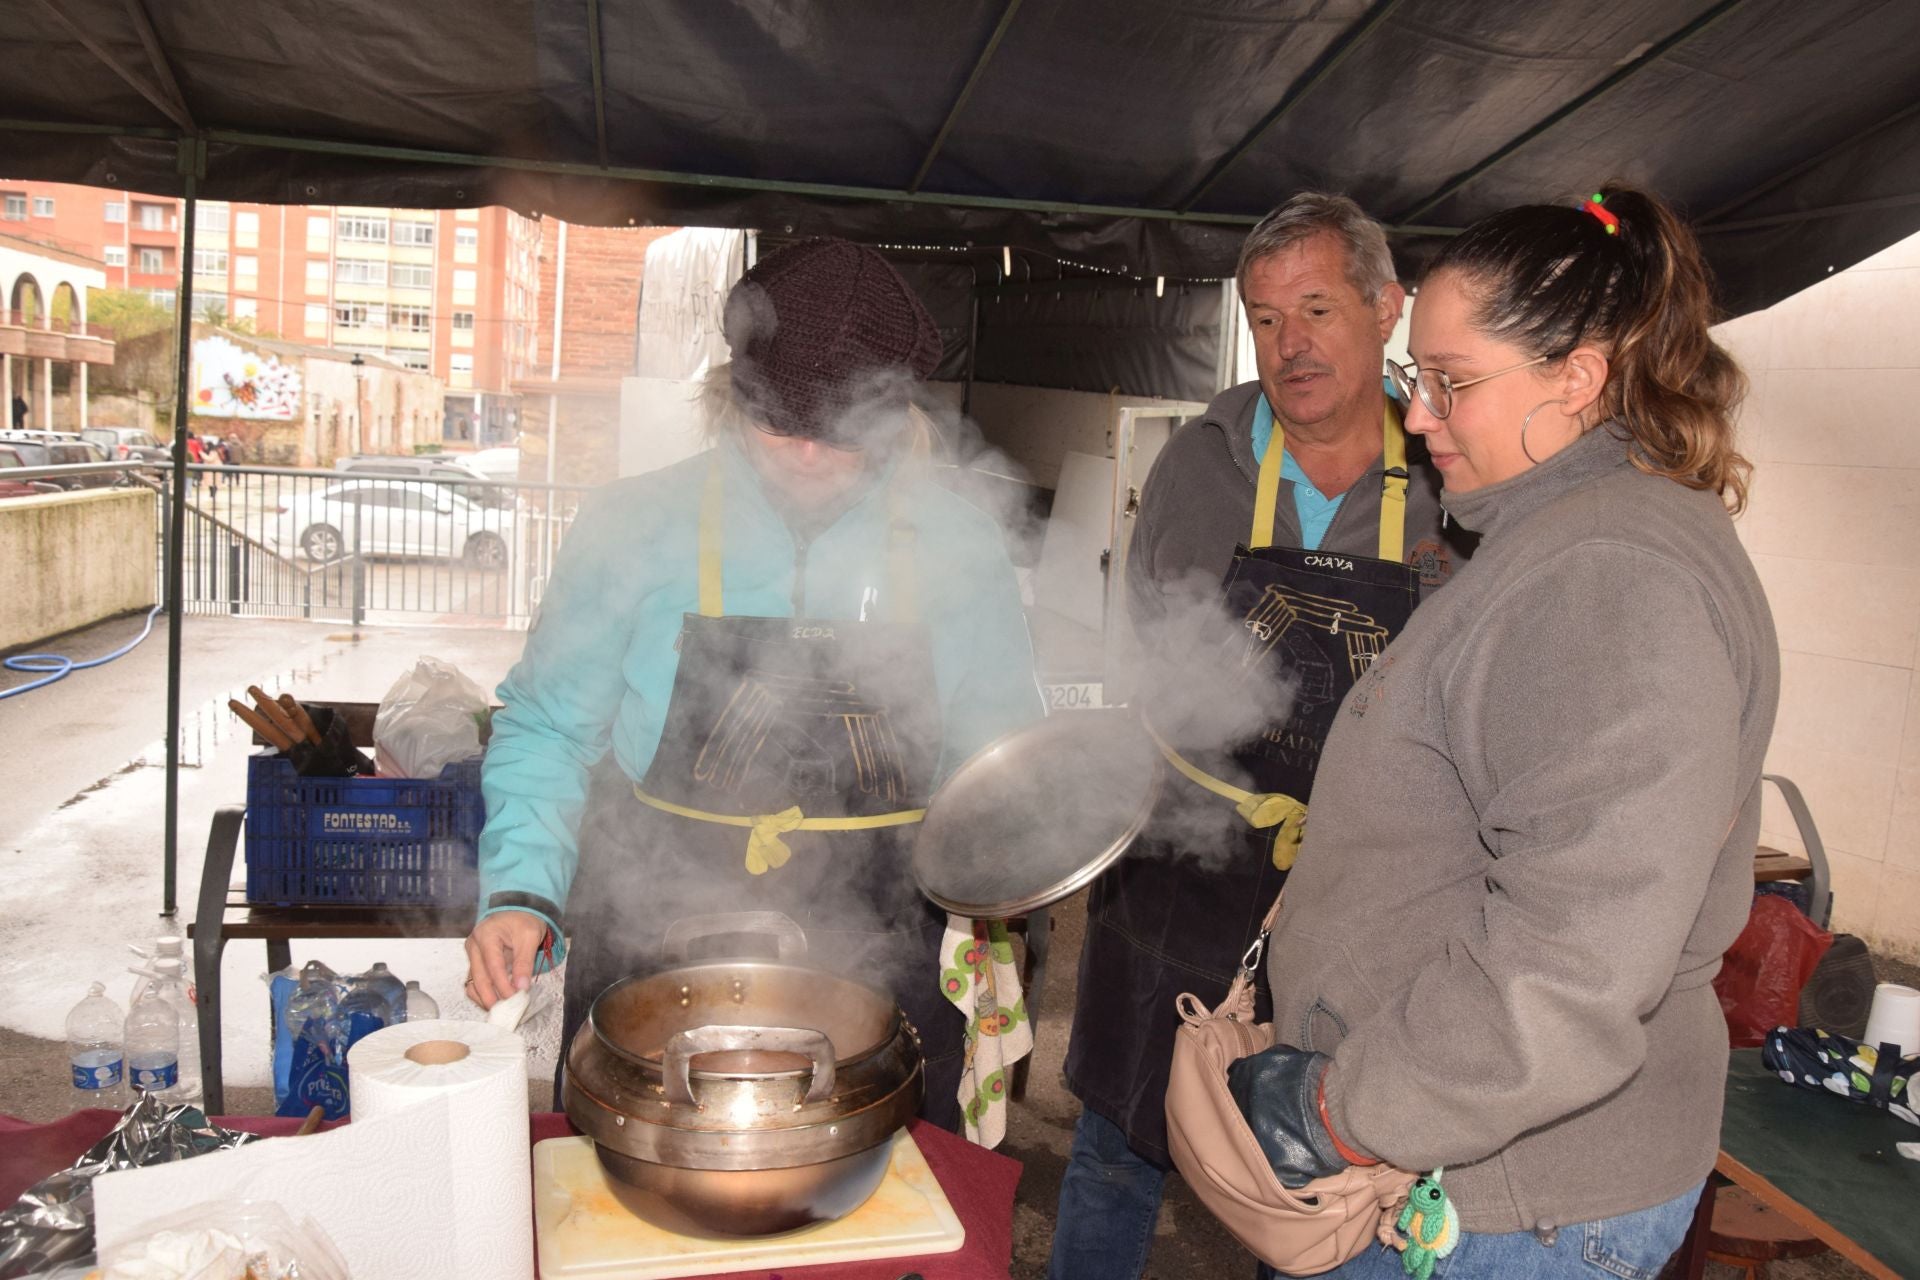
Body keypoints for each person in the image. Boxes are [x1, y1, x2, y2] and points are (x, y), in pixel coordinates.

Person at [1226, 185, 1778, 1279]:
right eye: (1414, 380)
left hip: (1505, 1199)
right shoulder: (1561, 532)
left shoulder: (1606, 571)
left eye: (1452, 384)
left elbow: (1579, 949)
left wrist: (1347, 1111)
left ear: (1578, 376)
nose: (1420, 416)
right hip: (1474, 1162)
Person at [463, 238, 1041, 1129]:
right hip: (652, 917)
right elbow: (548, 727)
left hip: (885, 929)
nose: (807, 455)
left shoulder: (963, 548)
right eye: (780, 423)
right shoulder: (631, 525)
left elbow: (997, 758)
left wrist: (1023, 840)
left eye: (840, 433)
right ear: (731, 398)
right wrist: (520, 891)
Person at [1050, 193, 1473, 1280]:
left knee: (1308, 1170)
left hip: (1359, 880)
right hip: (1181, 855)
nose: (1292, 345)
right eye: (1267, 317)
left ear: (1387, 309)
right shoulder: (1199, 463)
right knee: (1118, 1141)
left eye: (1319, 309)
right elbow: (1135, 651)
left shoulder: (1451, 480)